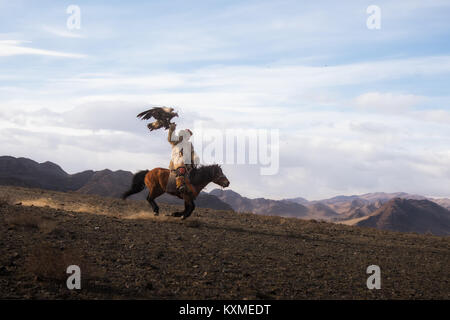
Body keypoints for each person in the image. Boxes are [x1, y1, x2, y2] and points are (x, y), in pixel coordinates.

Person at [168, 123, 199, 193]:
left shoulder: (189, 144)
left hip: (188, 163)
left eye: (189, 135)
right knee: (181, 169)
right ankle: (180, 185)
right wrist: (172, 129)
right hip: (177, 161)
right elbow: (170, 139)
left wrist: (196, 157)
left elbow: (192, 153)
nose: (188, 136)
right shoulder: (177, 140)